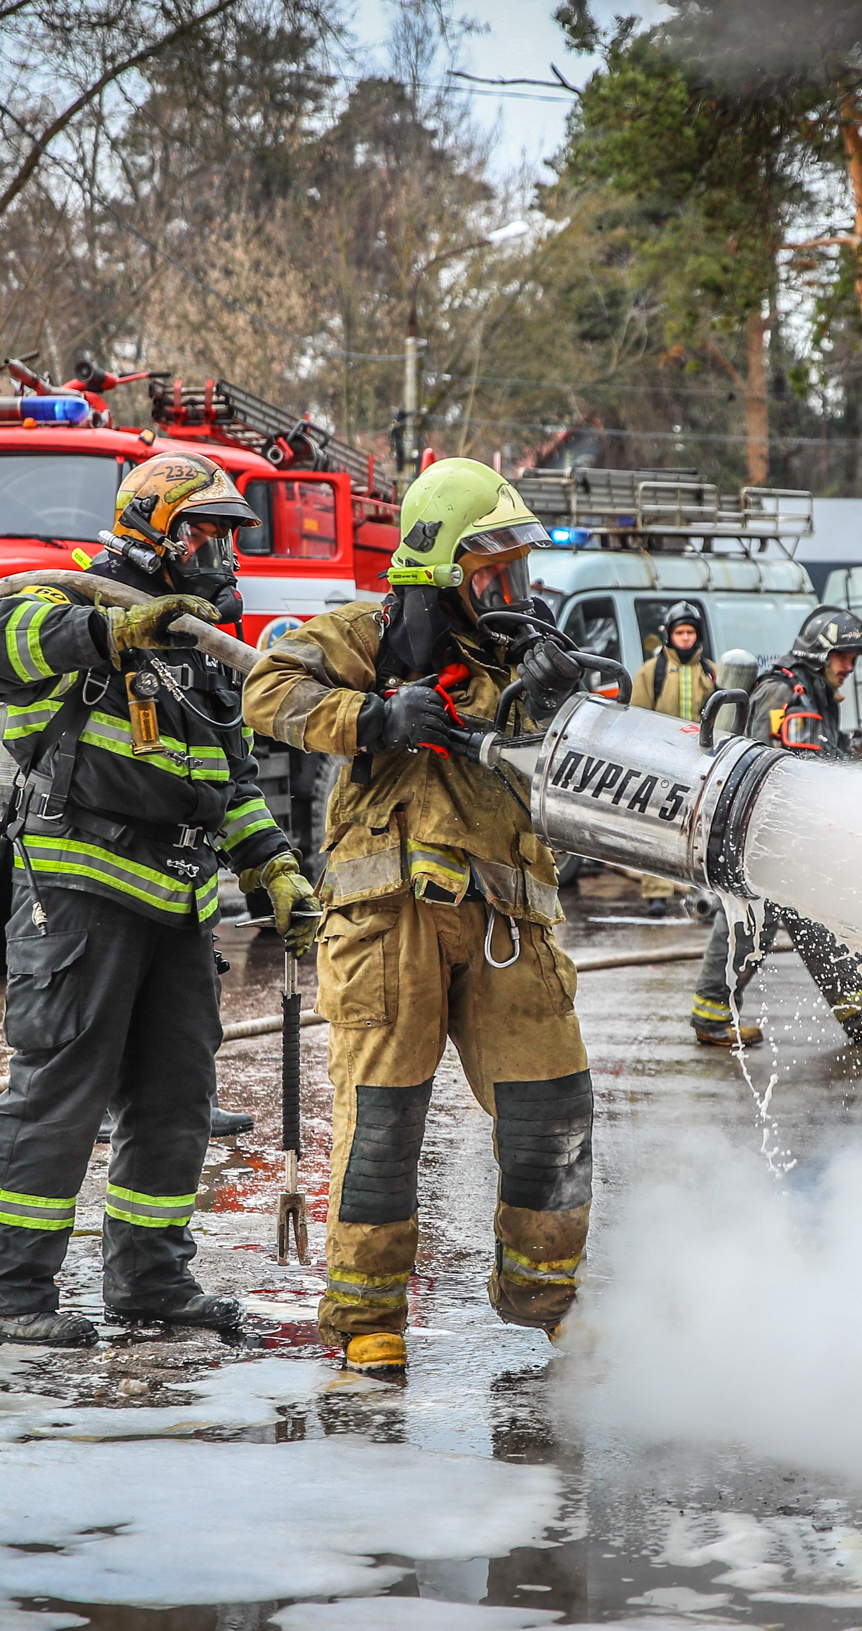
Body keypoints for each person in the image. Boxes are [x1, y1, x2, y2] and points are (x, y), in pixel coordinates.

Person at [0, 450, 326, 1348]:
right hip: (79, 891)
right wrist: (106, 636)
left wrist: (271, 866)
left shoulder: (204, 648)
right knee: (61, 1089)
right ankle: (2, 1293)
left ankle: (151, 1281)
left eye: (232, 539)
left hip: (180, 903)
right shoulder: (76, 603)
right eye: (209, 535)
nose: (225, 557)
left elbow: (226, 781)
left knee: (176, 1097)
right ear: (156, 532)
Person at [241, 456, 593, 1382]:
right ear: (440, 571)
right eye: (491, 573)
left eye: (517, 569)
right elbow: (267, 691)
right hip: (385, 926)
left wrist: (566, 696)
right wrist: (376, 716)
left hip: (508, 923)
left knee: (551, 1111)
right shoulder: (366, 635)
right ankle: (365, 1319)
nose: (510, 591)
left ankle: (547, 1298)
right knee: (384, 1125)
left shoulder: (531, 657)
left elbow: (597, 744)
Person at [688, 606, 862, 1049]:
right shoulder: (780, 690)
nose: (849, 667)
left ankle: (860, 1011)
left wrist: (845, 758)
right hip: (765, 837)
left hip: (796, 839)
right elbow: (756, 763)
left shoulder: (816, 693)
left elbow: (810, 757)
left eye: (854, 659)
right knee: (749, 922)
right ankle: (711, 1014)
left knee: (816, 918)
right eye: (843, 656)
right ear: (819, 652)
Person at [627, 599, 713, 916]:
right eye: (681, 632)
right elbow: (636, 716)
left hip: (699, 765)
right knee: (655, 825)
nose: (686, 638)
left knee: (698, 829)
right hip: (660, 761)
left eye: (691, 632)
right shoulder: (652, 672)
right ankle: (657, 894)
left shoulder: (710, 672)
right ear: (670, 635)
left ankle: (700, 892)